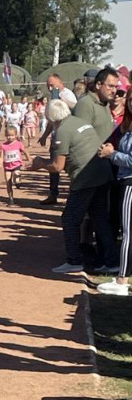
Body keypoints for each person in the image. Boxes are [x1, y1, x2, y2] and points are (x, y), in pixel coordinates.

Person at [30, 99, 117, 274]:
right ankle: (112, 261)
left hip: (86, 179)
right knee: (99, 218)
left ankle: (74, 260)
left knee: (69, 219)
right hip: (103, 174)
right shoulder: (80, 122)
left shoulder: (62, 131)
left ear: (50, 117)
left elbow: (57, 166)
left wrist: (39, 164)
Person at [97, 92, 132, 295]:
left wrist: (113, 155)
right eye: (130, 99)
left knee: (127, 234)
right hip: (125, 180)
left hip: (129, 182)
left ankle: (121, 280)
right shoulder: (127, 126)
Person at [0, 125, 29, 205]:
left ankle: (18, 181)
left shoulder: (18, 144)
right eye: (8, 135)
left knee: (16, 175)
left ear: (15, 135)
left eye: (12, 135)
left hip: (16, 165)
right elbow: (1, 156)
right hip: (7, 166)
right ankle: (11, 198)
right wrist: (0, 164)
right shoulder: (3, 146)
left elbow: (25, 151)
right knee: (8, 182)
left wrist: (28, 158)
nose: (10, 137)